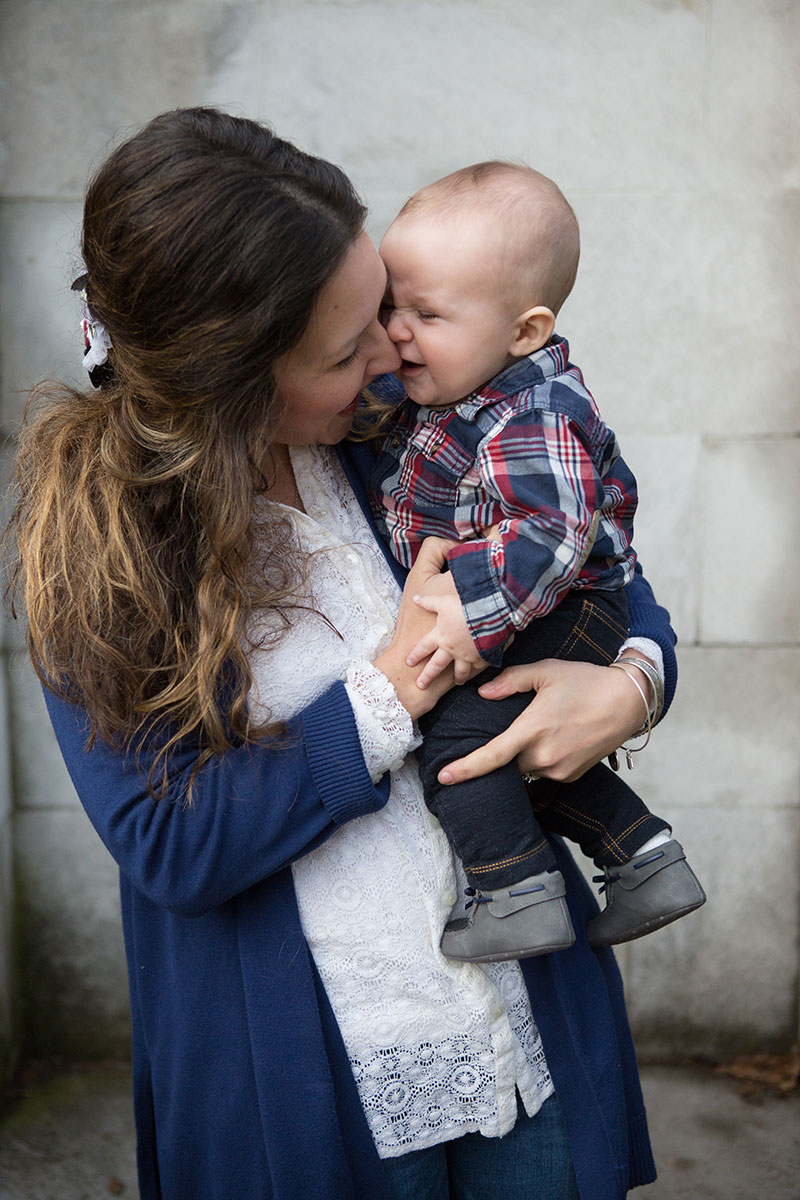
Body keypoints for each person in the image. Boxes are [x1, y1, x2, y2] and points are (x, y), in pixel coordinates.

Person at [5, 107, 678, 1200]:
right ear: (235, 381)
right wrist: (384, 695)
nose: (388, 351)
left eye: (381, 309)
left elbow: (598, 566)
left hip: (522, 1029)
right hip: (325, 1076)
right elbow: (171, 847)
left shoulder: (401, 430)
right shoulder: (101, 557)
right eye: (345, 344)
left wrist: (630, 685)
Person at [370, 162, 705, 964]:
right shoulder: (454, 394)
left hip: (566, 606)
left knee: (456, 742)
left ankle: (515, 891)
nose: (396, 332)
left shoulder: (535, 412)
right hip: (548, 606)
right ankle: (644, 858)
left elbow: (554, 531)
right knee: (521, 743)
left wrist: (469, 612)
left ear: (524, 331)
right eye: (389, 306)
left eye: (427, 313)